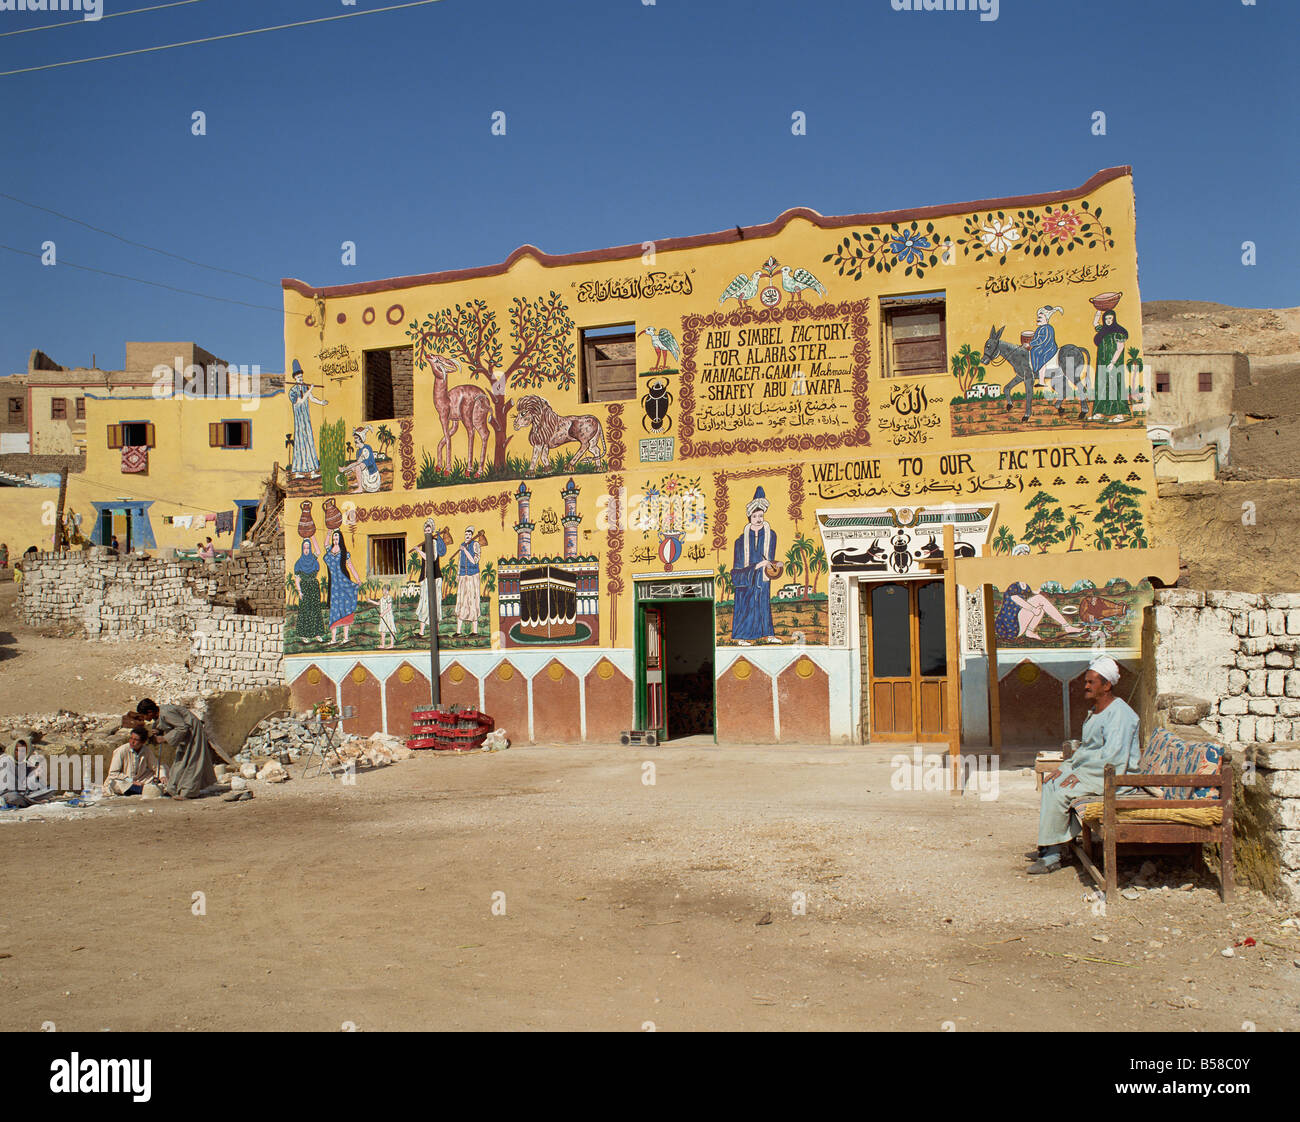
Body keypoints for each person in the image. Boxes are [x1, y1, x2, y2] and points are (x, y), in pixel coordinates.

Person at [1028, 656, 1141, 875]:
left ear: (1107, 685)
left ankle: (1052, 856)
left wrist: (1081, 774)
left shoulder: (1120, 714)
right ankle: (1055, 845)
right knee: (1052, 781)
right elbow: (1088, 750)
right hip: (1097, 771)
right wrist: (1067, 767)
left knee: (1061, 791)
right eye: (1086, 682)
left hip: (1116, 779)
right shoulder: (1098, 712)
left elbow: (1115, 758)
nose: (1086, 686)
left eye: (1091, 682)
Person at [136, 698, 217, 801]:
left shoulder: (166, 712)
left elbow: (182, 727)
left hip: (193, 733)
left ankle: (187, 792)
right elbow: (165, 724)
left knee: (193, 761)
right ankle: (173, 789)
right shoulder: (160, 714)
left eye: (144, 715)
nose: (144, 718)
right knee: (180, 762)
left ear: (150, 712)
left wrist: (164, 738)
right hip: (185, 736)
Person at [730, 486, 781, 645]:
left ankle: (768, 634)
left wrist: (775, 564)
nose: (759, 519)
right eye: (755, 516)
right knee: (746, 605)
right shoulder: (740, 541)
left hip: (763, 578)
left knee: (763, 604)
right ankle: (741, 637)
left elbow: (770, 557)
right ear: (749, 517)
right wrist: (757, 566)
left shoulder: (771, 535)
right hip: (747, 578)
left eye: (761, 515)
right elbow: (737, 567)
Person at [994, 581, 1084, 642]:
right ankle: (1066, 626)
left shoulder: (1024, 585)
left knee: (1039, 607)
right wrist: (1032, 609)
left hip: (1014, 623)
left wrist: (1035, 594)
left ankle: (1029, 632)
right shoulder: (1013, 586)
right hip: (1009, 628)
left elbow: (1029, 593)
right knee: (1039, 600)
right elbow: (1016, 598)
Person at [288, 360, 327, 479]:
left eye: (301, 376)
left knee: (309, 443)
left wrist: (321, 402)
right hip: (299, 422)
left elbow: (311, 398)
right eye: (298, 377)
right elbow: (300, 401)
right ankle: (299, 472)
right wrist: (310, 389)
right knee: (300, 444)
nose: (300, 378)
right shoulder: (293, 391)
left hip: (306, 421)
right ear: (295, 378)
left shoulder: (304, 387)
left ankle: (312, 471)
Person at [1091, 307, 1131, 421]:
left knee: (1115, 387)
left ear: (1114, 319)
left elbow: (1120, 349)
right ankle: (1099, 413)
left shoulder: (1119, 332)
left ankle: (1119, 414)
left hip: (1114, 364)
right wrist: (1098, 313)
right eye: (1106, 318)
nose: (1108, 320)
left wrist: (1112, 363)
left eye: (1110, 318)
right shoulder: (1103, 330)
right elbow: (1095, 324)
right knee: (1102, 386)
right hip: (1102, 363)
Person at [324, 529, 360, 644]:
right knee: (334, 610)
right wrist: (328, 533)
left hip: (344, 582)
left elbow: (350, 566)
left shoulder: (344, 553)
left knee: (345, 609)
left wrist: (357, 579)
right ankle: (333, 639)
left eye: (337, 538)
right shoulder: (329, 550)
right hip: (334, 586)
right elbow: (325, 544)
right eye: (333, 539)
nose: (335, 541)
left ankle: (345, 638)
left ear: (340, 539)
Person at [103, 727, 161, 797]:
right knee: (115, 783)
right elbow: (113, 773)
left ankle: (147, 788)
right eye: (131, 738)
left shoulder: (146, 751)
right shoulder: (121, 750)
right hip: (124, 781)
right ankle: (141, 790)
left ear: (143, 742)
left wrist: (162, 777)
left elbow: (156, 767)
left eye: (136, 740)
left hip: (139, 780)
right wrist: (132, 781)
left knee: (163, 768)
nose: (132, 742)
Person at [413, 522, 447, 637]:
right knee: (424, 604)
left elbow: (431, 558)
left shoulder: (433, 542)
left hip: (435, 578)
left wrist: (418, 551)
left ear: (432, 532)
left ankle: (436, 632)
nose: (427, 533)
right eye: (425, 531)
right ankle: (421, 632)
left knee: (435, 604)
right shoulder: (425, 544)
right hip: (426, 578)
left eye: (429, 531)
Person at [293, 538, 326, 643]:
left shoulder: (313, 559)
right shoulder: (298, 563)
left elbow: (319, 551)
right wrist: (299, 591)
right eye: (304, 548)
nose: (306, 550)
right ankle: (304, 635)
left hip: (314, 587)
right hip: (305, 588)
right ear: (302, 549)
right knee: (305, 611)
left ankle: (317, 634)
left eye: (308, 548)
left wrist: (312, 537)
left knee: (315, 610)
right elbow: (297, 579)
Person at [454, 528, 481, 637]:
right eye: (466, 534)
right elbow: (460, 561)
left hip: (472, 576)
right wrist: (457, 574)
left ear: (472, 535)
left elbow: (474, 561)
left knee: (472, 601)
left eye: (469, 534)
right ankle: (458, 631)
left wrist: (465, 550)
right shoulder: (462, 545)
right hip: (463, 576)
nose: (467, 535)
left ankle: (475, 631)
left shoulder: (475, 545)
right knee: (461, 602)